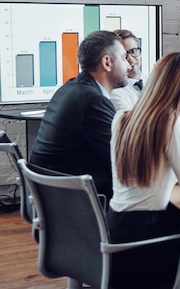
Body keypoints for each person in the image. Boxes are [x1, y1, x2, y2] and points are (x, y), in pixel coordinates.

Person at [107, 52, 180, 288]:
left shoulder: (122, 118)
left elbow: (151, 170)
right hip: (149, 246)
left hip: (116, 238)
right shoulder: (169, 121)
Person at [31, 30, 130, 201]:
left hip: (52, 194)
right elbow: (123, 157)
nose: (129, 65)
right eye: (123, 58)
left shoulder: (72, 88)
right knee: (168, 209)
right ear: (107, 62)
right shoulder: (92, 101)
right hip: (74, 199)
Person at [110, 29, 143, 111]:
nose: (130, 59)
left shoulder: (153, 80)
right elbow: (131, 122)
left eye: (133, 51)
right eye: (124, 55)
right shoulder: (114, 92)